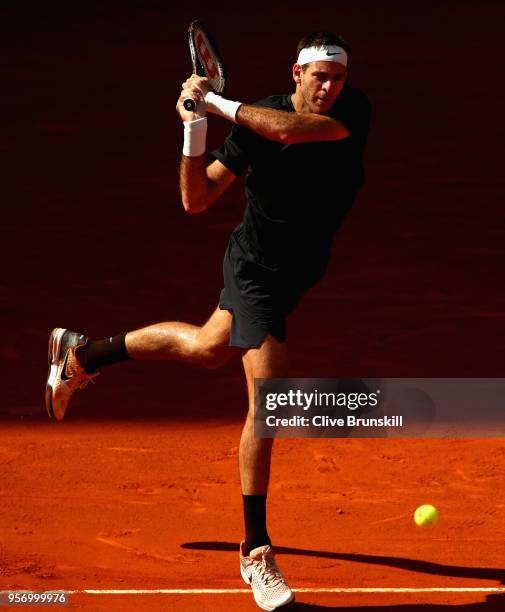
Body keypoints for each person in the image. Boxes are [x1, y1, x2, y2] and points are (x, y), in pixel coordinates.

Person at [45, 30, 371, 611]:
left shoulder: (349, 113)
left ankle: (82, 354)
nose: (329, 87)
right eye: (318, 76)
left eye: (337, 77)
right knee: (270, 400)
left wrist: (218, 107)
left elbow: (289, 131)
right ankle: (256, 550)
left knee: (204, 348)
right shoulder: (255, 122)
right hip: (256, 273)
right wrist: (194, 129)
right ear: (295, 74)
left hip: (293, 274)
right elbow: (196, 199)